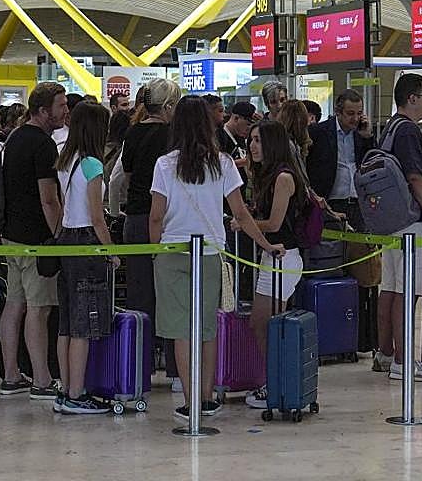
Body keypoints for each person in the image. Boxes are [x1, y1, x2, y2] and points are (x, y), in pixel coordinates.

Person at [149, 96, 280, 419]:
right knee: (207, 328)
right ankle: (207, 398)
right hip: (209, 253)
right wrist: (265, 244)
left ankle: (190, 399)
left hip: (172, 252)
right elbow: (240, 213)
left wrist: (155, 252)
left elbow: (156, 216)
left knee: (181, 331)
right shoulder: (222, 163)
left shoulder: (165, 164)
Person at [374, 73, 422, 380]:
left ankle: (385, 354)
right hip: (411, 224)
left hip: (392, 222)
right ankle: (404, 362)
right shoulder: (408, 132)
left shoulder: (390, 128)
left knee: (390, 287)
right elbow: (416, 178)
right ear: (413, 98)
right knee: (409, 291)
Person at [0, 82, 69, 399]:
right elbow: (48, 199)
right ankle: (42, 379)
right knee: (39, 310)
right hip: (37, 239)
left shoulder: (14, 139)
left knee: (14, 305)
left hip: (11, 234)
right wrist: (59, 234)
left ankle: (11, 374)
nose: (66, 111)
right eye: (61, 106)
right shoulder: (43, 144)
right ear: (43, 111)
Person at [52, 101, 119, 414]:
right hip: (87, 243)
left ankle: (66, 389)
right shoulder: (93, 164)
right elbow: (97, 216)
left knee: (66, 321)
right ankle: (77, 394)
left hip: (66, 239)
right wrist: (111, 252)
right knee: (84, 322)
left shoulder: (66, 160)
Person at [241, 120, 307, 409]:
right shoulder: (269, 176)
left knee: (267, 324)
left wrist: (245, 224)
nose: (253, 146)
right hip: (272, 257)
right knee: (262, 323)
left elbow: (275, 223)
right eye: (251, 140)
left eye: (258, 140)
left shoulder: (283, 178)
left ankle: (276, 382)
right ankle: (273, 380)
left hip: (284, 256)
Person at [121, 78, 181, 387]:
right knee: (172, 297)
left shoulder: (132, 133)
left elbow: (128, 175)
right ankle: (176, 369)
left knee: (139, 296)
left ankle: (138, 368)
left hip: (136, 216)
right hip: (166, 218)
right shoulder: (173, 136)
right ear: (170, 106)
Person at [306, 89, 374, 228]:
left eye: (359, 113)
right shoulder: (318, 132)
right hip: (330, 202)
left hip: (358, 202)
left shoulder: (361, 134)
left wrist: (368, 138)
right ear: (338, 112)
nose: (355, 118)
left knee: (359, 247)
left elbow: (373, 162)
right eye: (350, 114)